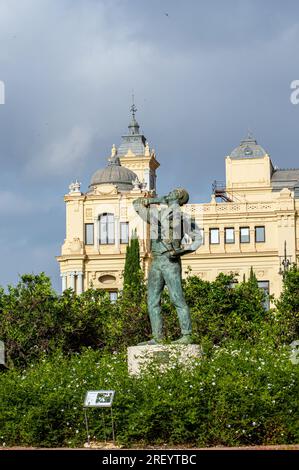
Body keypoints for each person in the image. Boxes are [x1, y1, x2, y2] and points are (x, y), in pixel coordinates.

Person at [133, 188, 203, 345]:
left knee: (177, 298)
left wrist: (181, 251)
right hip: (156, 261)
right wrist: (155, 200)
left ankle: (187, 334)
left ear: (179, 197)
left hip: (170, 261)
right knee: (152, 301)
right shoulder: (158, 214)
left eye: (174, 192)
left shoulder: (183, 218)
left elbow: (198, 239)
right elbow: (136, 204)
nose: (170, 192)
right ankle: (157, 337)